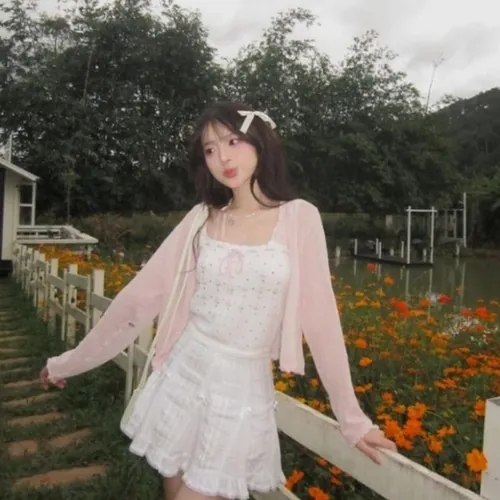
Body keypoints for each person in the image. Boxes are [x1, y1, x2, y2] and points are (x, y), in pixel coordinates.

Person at [40, 102, 397, 500]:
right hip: (184, 373)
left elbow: (322, 320)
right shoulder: (201, 218)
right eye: (209, 149)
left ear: (260, 142)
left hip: (239, 389)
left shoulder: (299, 218)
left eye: (232, 141)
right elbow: (140, 297)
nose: (222, 157)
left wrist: (351, 419)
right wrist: (69, 362)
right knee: (173, 487)